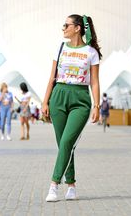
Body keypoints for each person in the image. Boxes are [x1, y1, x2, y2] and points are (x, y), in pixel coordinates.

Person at [42, 14, 101, 202]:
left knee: (67, 141)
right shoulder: (60, 48)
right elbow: (52, 77)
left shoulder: (91, 52)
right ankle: (72, 186)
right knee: (63, 145)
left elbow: (95, 82)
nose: (63, 28)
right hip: (58, 97)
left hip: (80, 100)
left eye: (66, 25)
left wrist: (97, 105)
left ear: (77, 28)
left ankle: (53, 185)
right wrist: (45, 102)